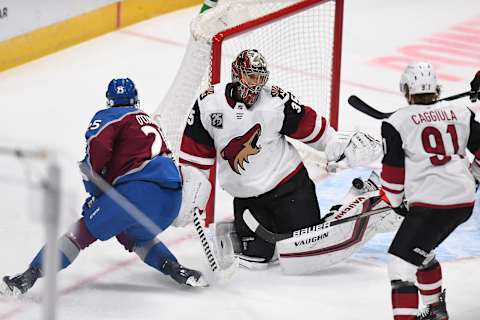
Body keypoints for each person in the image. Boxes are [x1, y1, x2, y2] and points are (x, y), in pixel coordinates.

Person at [1, 78, 208, 296]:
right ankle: (175, 268)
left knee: (80, 233)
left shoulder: (108, 117)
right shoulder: (146, 119)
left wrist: (95, 194)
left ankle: (28, 276)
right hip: (171, 201)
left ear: (110, 101)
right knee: (129, 234)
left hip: (137, 194)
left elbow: (94, 158)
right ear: (135, 99)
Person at [178, 48, 382, 269]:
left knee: (306, 248)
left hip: (288, 188)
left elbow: (307, 124)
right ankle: (234, 228)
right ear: (237, 74)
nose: (256, 84)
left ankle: (354, 198)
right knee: (257, 259)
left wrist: (336, 143)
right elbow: (195, 154)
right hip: (247, 198)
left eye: (260, 78)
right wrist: (191, 192)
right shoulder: (208, 104)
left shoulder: (274, 101)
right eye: (251, 76)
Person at [380, 63, 480, 320]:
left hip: (431, 205)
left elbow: (392, 177)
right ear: (437, 88)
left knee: (400, 267)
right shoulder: (461, 112)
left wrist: (395, 202)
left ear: (405, 90)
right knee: (422, 252)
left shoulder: (396, 122)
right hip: (463, 202)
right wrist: (473, 178)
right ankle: (436, 312)